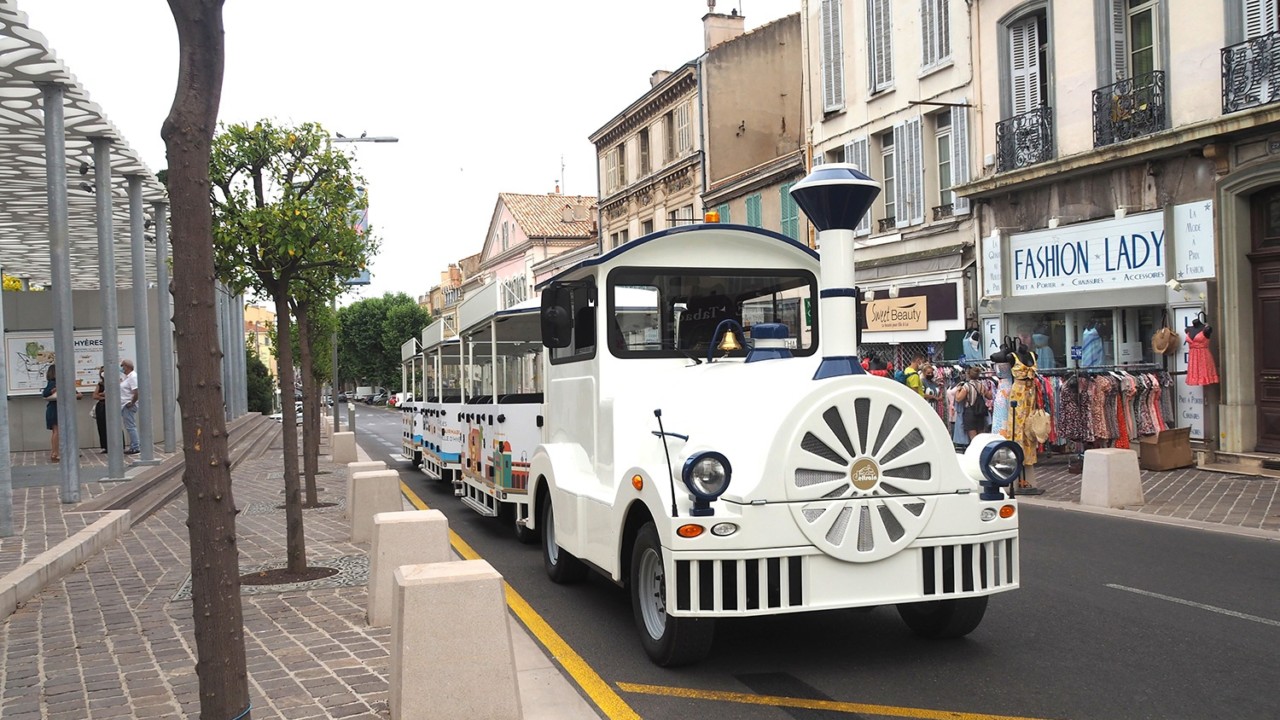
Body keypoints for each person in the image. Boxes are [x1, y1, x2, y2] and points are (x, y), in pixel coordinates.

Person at [955, 366, 992, 441]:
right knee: (980, 435)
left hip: (970, 412)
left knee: (973, 437)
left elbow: (958, 399)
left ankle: (975, 451)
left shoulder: (967, 386)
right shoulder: (982, 385)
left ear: (969, 375)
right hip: (980, 412)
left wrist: (957, 391)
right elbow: (990, 397)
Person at [120, 358, 140, 455]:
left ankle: (135, 446)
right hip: (124, 404)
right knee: (129, 426)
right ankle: (134, 445)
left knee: (130, 426)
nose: (121, 368)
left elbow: (136, 391)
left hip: (128, 405)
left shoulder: (132, 377)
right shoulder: (127, 377)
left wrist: (132, 402)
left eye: (122, 365)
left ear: (127, 367)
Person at [41, 365, 60, 463]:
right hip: (55, 409)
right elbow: (45, 393)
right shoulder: (54, 383)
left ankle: (55, 452)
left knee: (56, 431)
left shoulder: (52, 383)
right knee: (57, 431)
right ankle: (55, 453)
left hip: (52, 409)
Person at [92, 366, 108, 452]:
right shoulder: (100, 384)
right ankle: (105, 446)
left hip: (109, 407)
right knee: (101, 426)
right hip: (101, 407)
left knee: (113, 425)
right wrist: (102, 397)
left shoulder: (114, 382)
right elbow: (94, 395)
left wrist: (102, 395)